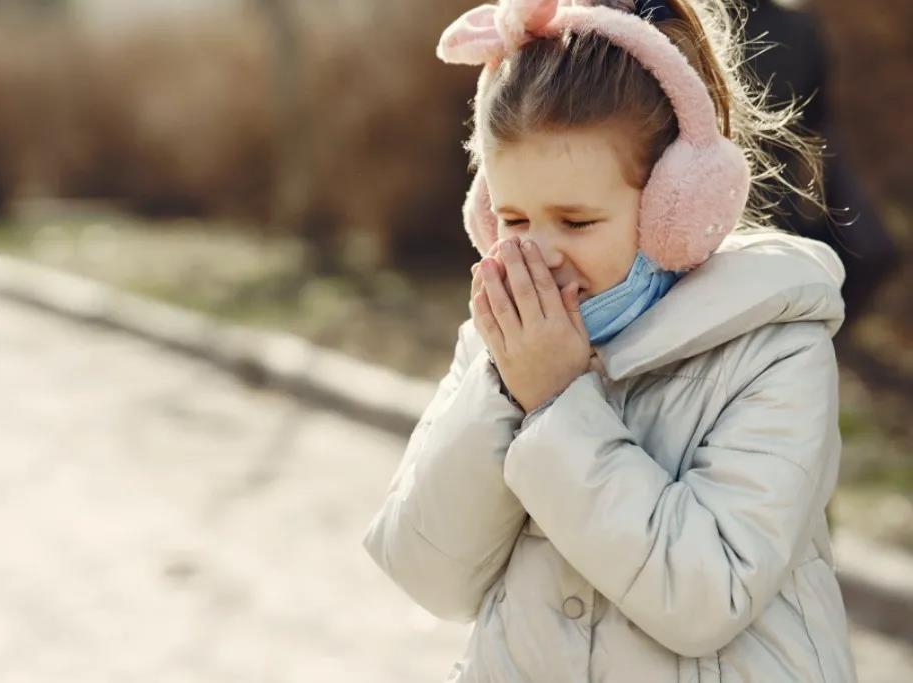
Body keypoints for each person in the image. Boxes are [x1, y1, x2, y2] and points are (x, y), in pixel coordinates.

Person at [361, 1, 857, 681]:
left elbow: (706, 595)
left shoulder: (774, 347)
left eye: (576, 219)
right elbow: (429, 572)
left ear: (673, 208)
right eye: (512, 217)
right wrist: (506, 390)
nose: (541, 253)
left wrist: (560, 401)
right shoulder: (494, 348)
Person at [739, 0, 899, 331]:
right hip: (772, 208)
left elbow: (818, 125)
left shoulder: (683, 17)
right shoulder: (799, 27)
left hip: (758, 206)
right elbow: (818, 125)